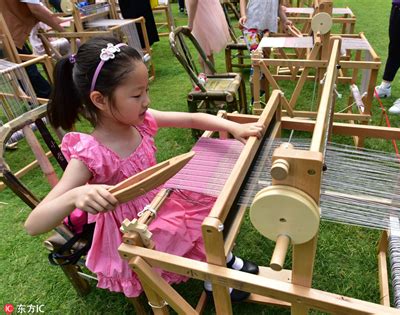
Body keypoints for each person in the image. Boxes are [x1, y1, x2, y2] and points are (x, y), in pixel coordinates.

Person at [24, 37, 263, 300]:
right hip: (133, 228)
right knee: (180, 227)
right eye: (137, 95)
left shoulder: (140, 122)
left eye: (146, 91)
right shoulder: (90, 154)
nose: (147, 101)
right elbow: (34, 224)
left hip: (158, 201)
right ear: (99, 100)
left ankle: (224, 262)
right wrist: (74, 196)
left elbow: (191, 118)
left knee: (206, 207)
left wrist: (232, 127)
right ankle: (213, 277)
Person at [0, 0, 65, 98]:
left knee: (24, 69)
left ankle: (36, 100)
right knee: (28, 71)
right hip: (8, 36)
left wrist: (59, 21)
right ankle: (51, 100)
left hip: (9, 35)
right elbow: (36, 9)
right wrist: (64, 32)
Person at [238, 0, 292, 100]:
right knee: (257, 59)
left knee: (265, 61)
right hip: (250, 25)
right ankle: (255, 99)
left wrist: (285, 20)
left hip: (267, 28)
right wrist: (243, 15)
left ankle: (262, 93)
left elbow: (278, 6)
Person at [186, 0, 231, 74]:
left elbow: (193, 1)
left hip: (203, 17)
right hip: (205, 14)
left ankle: (209, 80)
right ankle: (206, 79)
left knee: (206, 55)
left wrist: (190, 24)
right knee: (203, 55)